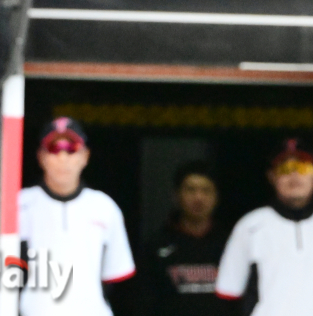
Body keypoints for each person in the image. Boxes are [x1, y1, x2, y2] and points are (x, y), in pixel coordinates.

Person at [18, 117, 135, 316]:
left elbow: (115, 278)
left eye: (71, 149)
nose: (63, 158)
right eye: (54, 149)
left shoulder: (104, 207)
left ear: (85, 156)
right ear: (41, 156)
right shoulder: (19, 204)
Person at [216, 139, 313, 316]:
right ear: (271, 176)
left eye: (303, 168)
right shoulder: (250, 225)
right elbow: (228, 295)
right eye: (285, 169)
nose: (294, 176)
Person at [138, 161, 235, 316]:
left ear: (216, 197)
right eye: (191, 190)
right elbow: (143, 302)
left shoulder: (231, 245)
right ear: (176, 196)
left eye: (206, 190)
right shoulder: (156, 247)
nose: (198, 197)